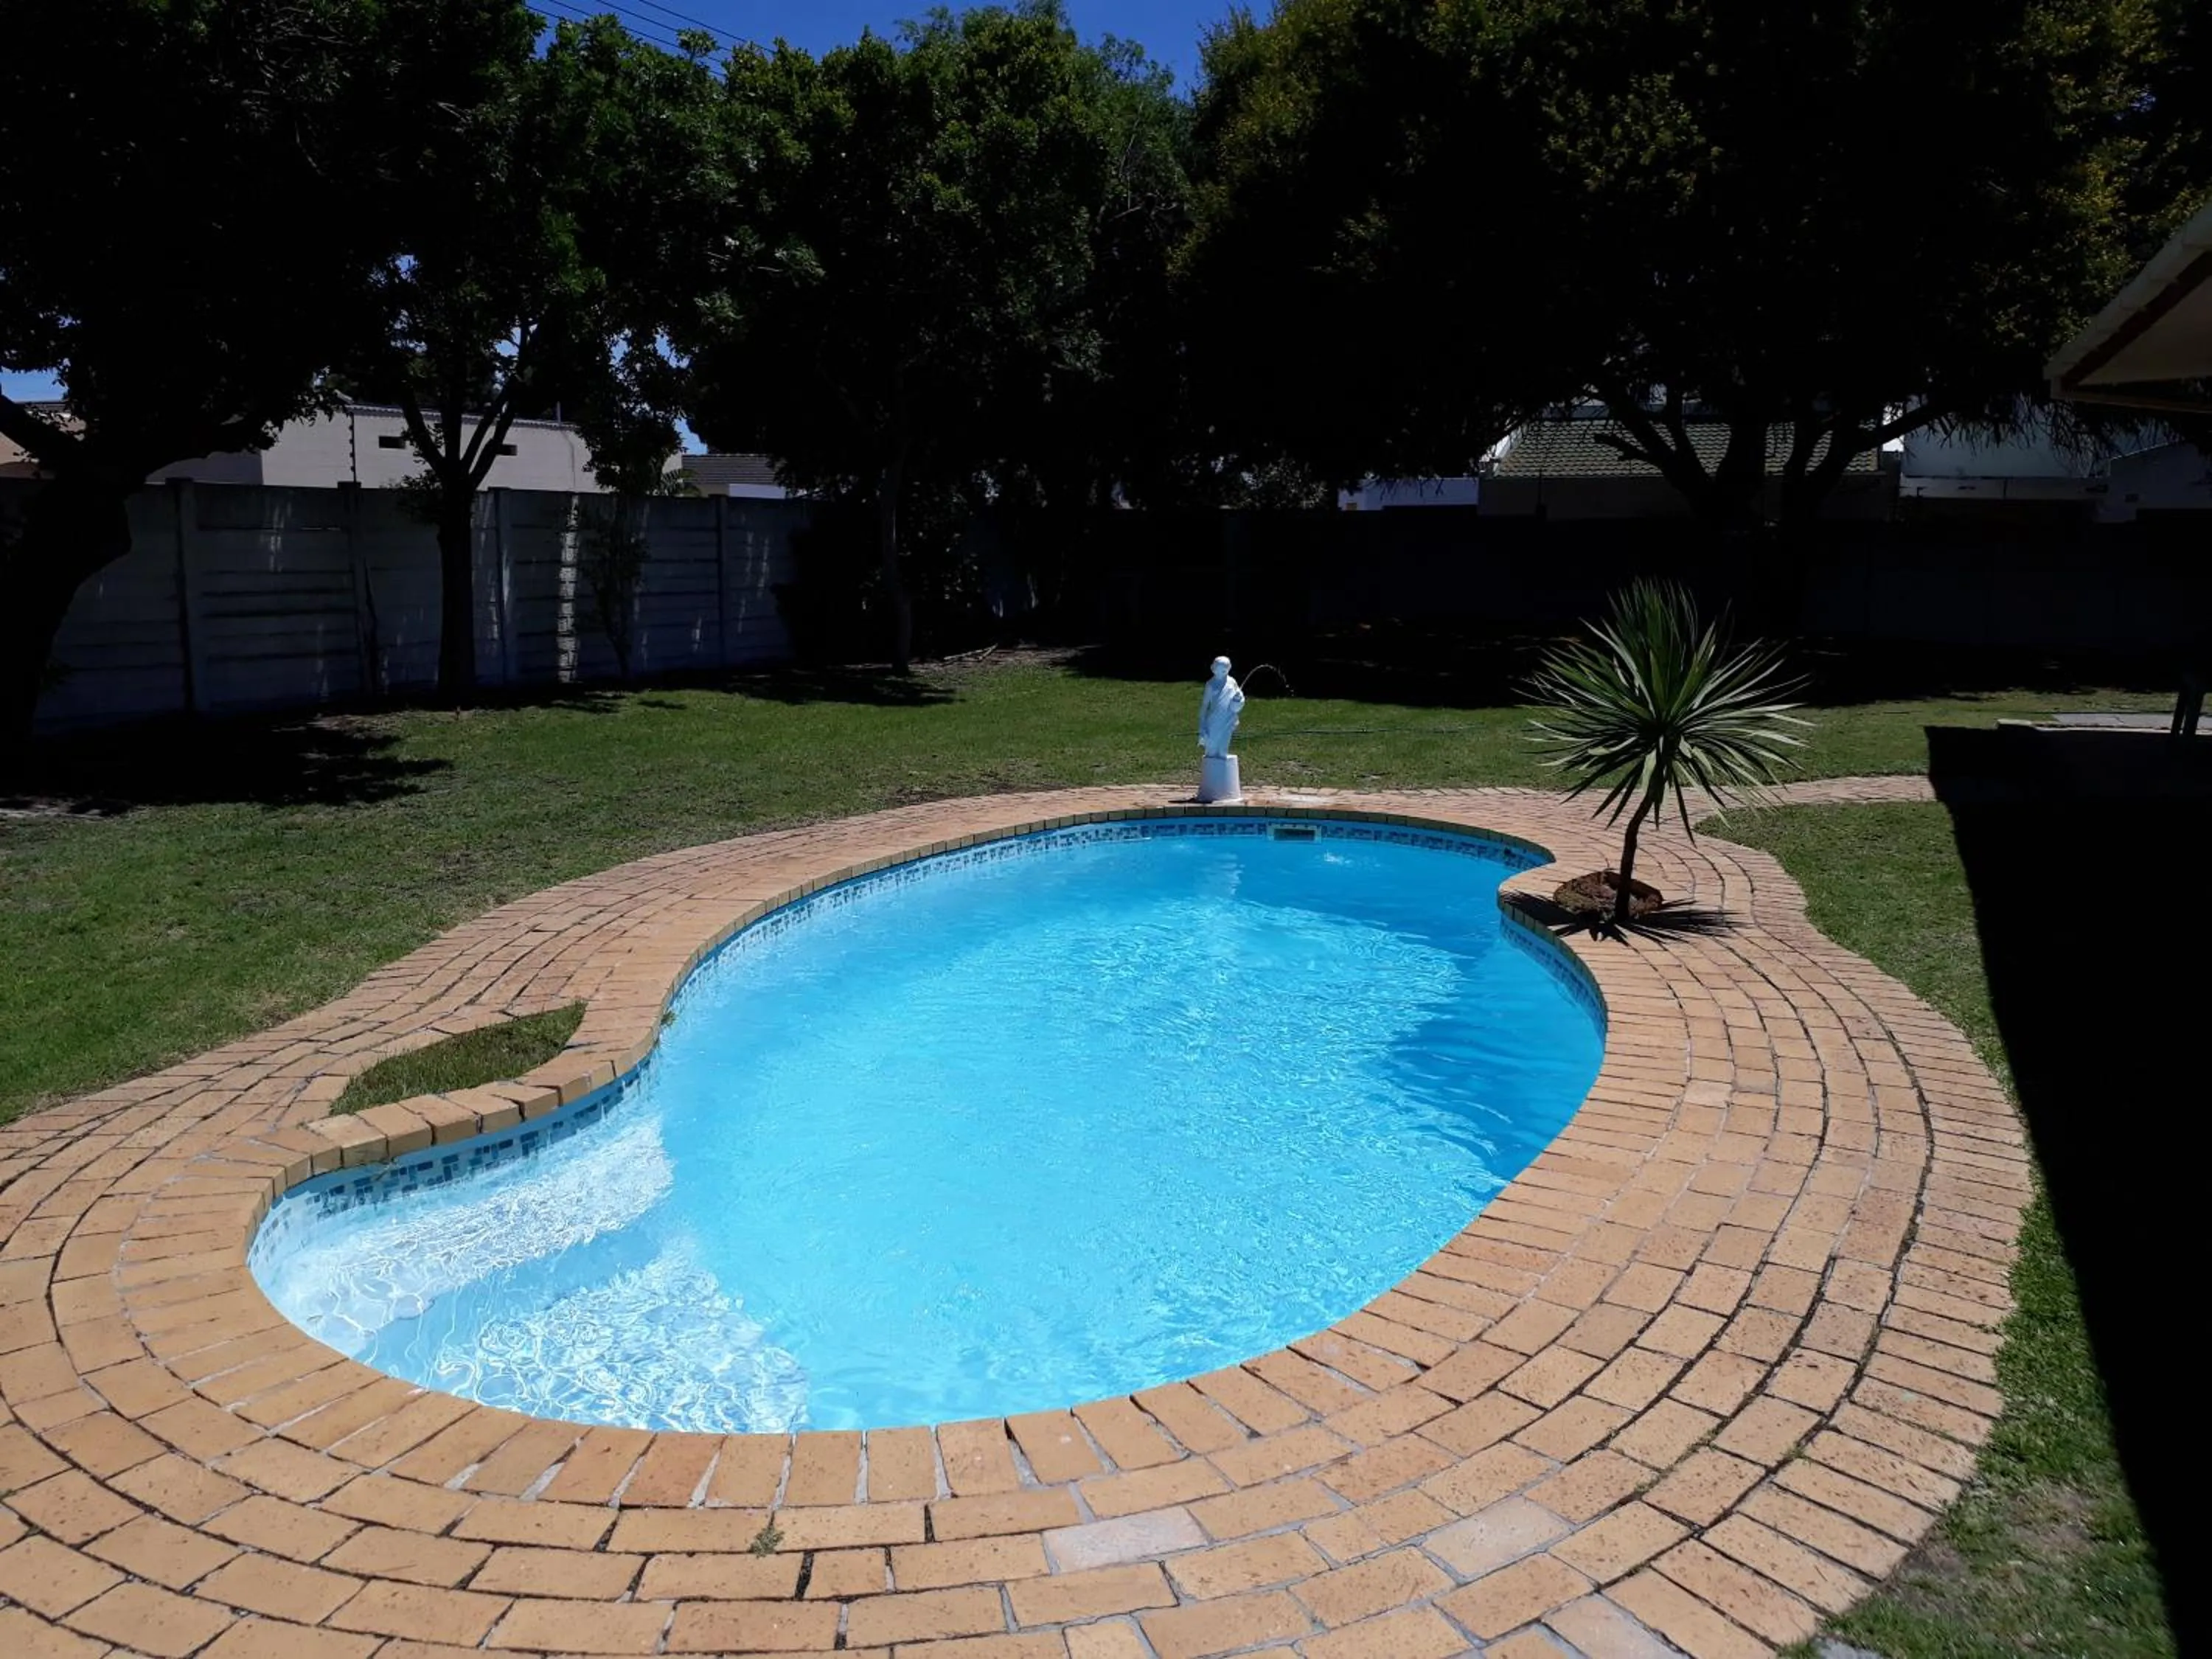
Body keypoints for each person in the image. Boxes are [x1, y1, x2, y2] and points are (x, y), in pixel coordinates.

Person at [1198, 656, 1245, 759]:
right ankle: (1213, 773)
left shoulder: (1232, 682)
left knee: (1223, 752)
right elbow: (1205, 706)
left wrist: (1239, 699)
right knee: (1211, 751)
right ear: (1213, 669)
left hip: (1227, 719)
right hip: (1214, 722)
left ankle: (1224, 772)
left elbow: (1239, 697)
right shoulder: (1211, 684)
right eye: (1218, 671)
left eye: (1224, 671)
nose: (1221, 674)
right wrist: (1202, 726)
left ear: (1229, 668)